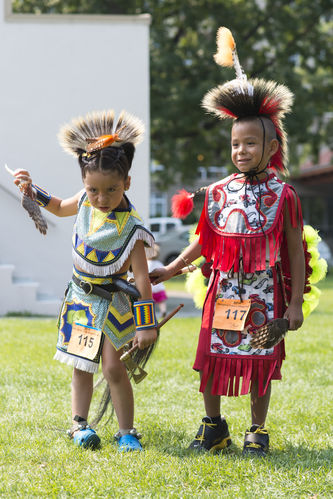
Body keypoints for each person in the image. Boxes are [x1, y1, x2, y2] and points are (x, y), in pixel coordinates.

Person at [150, 27, 309, 457]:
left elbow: (295, 250)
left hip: (264, 291)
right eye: (235, 143)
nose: (240, 150)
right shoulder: (220, 192)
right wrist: (171, 267)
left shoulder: (284, 195)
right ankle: (214, 425)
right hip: (223, 290)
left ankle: (257, 429)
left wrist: (293, 305)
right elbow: (204, 241)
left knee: (260, 361)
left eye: (250, 143)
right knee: (211, 360)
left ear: (271, 146)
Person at [13, 109, 158, 452]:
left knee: (112, 367)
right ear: (84, 183)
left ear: (127, 183)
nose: (101, 198)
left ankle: (126, 432)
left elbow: (141, 278)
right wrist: (31, 189)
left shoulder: (132, 229)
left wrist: (146, 325)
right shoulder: (84, 201)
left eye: (111, 189)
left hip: (116, 304)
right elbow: (61, 206)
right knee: (81, 364)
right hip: (81, 298)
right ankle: (79, 424)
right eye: (93, 189)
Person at [147, 244, 168, 319]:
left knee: (151, 304)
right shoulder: (159, 263)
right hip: (159, 288)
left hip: (150, 289)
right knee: (161, 302)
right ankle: (163, 311)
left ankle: (152, 315)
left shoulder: (146, 264)